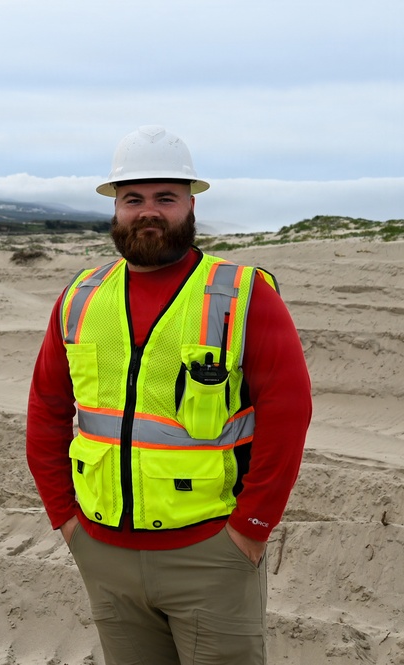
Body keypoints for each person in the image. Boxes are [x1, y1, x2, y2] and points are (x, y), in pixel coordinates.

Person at [26, 125, 312, 665]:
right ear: (115, 207)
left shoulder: (243, 295)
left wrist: (249, 529)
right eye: (133, 199)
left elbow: (287, 414)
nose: (149, 211)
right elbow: (46, 410)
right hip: (103, 547)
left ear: (191, 204)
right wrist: (65, 517)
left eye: (165, 198)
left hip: (210, 551)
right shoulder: (79, 298)